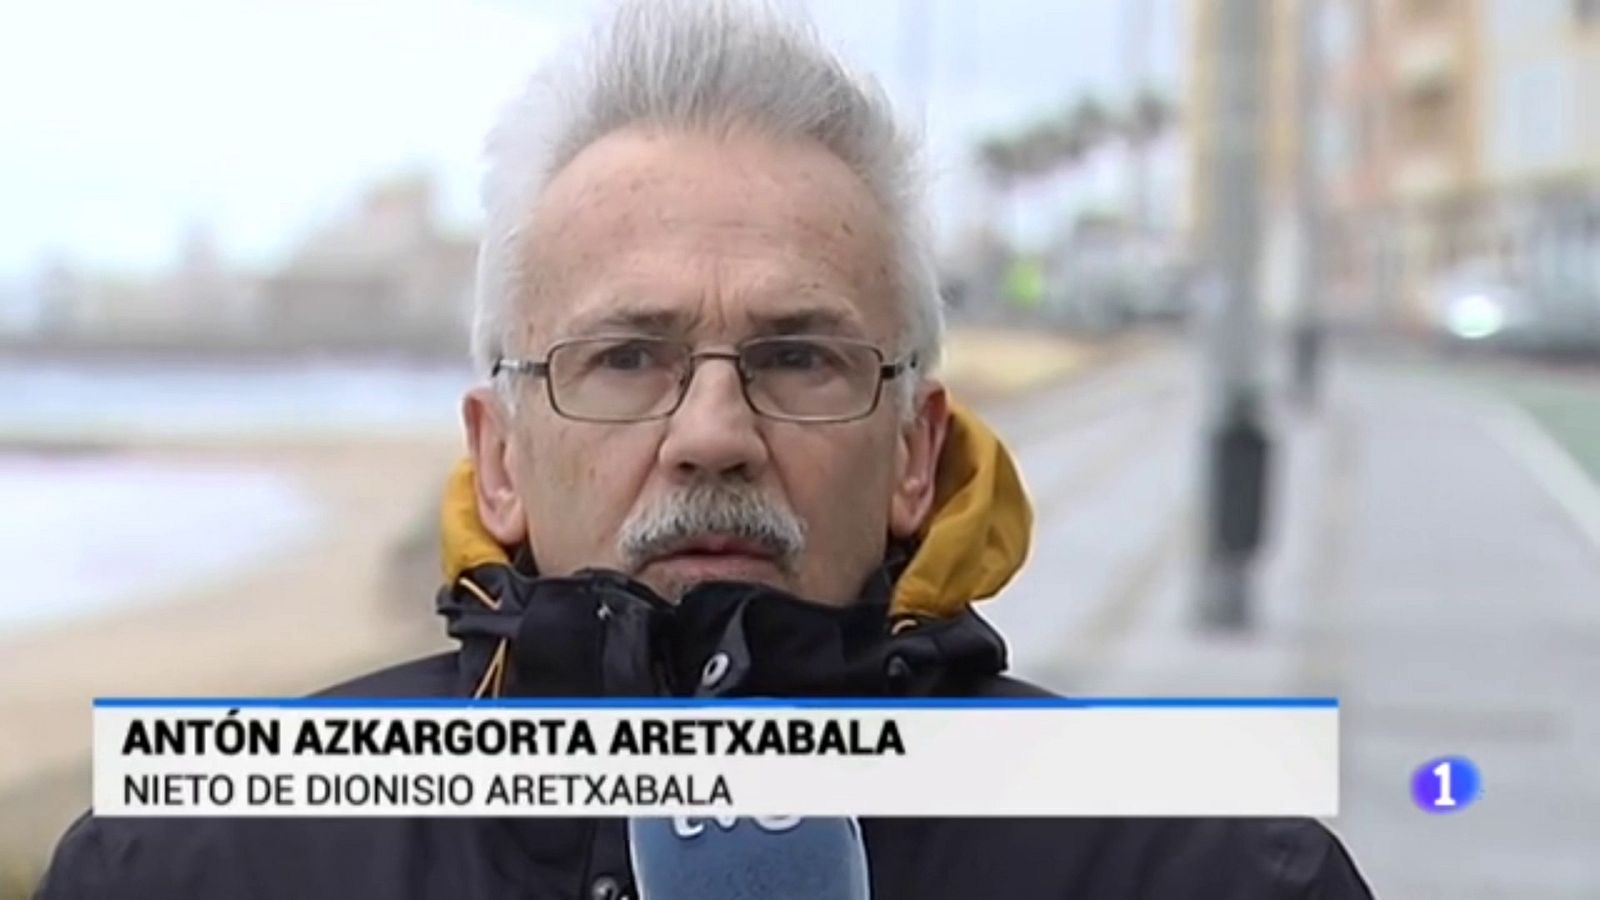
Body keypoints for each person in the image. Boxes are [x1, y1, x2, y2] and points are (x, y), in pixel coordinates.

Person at [38, 1, 1372, 896]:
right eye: (627, 359)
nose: (714, 436)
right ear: (499, 461)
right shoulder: (194, 862)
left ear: (917, 454)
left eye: (799, 358)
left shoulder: (1209, 868)